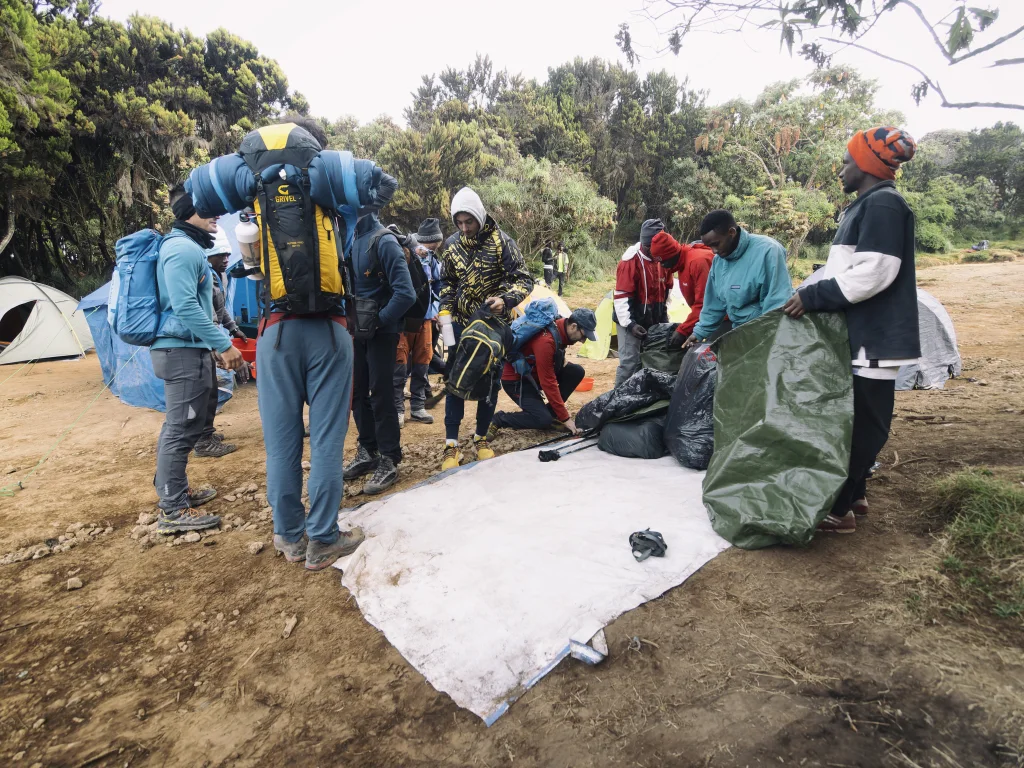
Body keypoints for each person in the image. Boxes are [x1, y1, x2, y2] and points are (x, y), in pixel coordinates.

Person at [783, 127, 919, 535]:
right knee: (853, 418)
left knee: (865, 426)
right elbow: (846, 269)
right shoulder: (864, 206)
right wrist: (806, 290)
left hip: (875, 337)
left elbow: (875, 272)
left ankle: (838, 508)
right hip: (858, 335)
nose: (840, 170)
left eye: (846, 161)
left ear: (866, 164)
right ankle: (856, 493)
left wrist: (815, 296)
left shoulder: (885, 206)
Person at [152, 185, 245, 533]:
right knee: (180, 428)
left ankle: (174, 489)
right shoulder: (180, 249)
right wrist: (222, 343)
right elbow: (185, 305)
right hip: (180, 352)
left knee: (184, 425)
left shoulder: (187, 247)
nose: (216, 217)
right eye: (209, 210)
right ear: (189, 212)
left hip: (187, 349)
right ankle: (172, 509)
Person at [438, 186, 534, 470]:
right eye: (459, 222)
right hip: (459, 325)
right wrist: (445, 314)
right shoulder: (451, 246)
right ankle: (451, 445)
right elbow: (447, 283)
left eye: (469, 222)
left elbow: (524, 279)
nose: (465, 228)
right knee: (455, 381)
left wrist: (505, 300)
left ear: (480, 216)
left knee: (489, 382)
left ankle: (481, 438)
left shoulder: (502, 242)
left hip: (493, 327)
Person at [342, 211, 416, 494]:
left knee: (381, 392)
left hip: (382, 333)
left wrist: (379, 321)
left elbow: (405, 293)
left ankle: (389, 457)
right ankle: (368, 450)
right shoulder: (347, 238)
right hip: (356, 330)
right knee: (358, 391)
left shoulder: (383, 241)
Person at [681, 210, 793, 349]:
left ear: (732, 232)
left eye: (716, 244)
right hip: (739, 334)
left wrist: (766, 345)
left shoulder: (768, 251)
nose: (714, 251)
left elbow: (776, 304)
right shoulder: (719, 262)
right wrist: (698, 333)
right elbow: (713, 305)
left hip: (765, 337)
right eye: (710, 247)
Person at [489, 308, 597, 436]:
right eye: (584, 335)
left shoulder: (561, 326)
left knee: (576, 371)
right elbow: (548, 382)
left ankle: (550, 414)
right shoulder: (546, 341)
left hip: (534, 374)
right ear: (574, 326)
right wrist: (565, 418)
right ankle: (499, 419)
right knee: (542, 419)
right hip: (517, 381)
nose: (583, 341)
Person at [191, 229, 246, 459]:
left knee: (210, 388)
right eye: (221, 255)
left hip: (211, 339)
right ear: (209, 256)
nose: (226, 260)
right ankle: (203, 441)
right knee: (206, 391)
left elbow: (221, 310)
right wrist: (219, 346)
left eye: (228, 255)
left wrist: (233, 328)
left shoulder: (218, 277)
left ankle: (206, 433)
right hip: (203, 342)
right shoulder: (205, 276)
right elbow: (208, 315)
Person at [612, 218, 675, 388]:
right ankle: (616, 403)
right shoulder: (630, 261)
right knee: (630, 363)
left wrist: (663, 317)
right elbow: (621, 297)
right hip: (630, 318)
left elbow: (667, 288)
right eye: (648, 247)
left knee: (652, 359)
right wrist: (630, 324)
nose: (651, 251)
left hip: (655, 317)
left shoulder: (664, 259)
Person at [393, 218, 443, 427]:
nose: (431, 248)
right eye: (431, 244)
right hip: (403, 320)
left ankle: (417, 407)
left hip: (425, 319)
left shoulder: (432, 259)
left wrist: (438, 312)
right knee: (399, 366)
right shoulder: (404, 250)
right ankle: (397, 410)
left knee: (423, 362)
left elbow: (438, 286)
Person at [649, 231, 715, 348]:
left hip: (724, 318)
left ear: (672, 254)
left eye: (663, 261)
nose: (662, 266)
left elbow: (705, 304)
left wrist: (683, 330)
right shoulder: (680, 263)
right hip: (708, 318)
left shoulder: (697, 262)